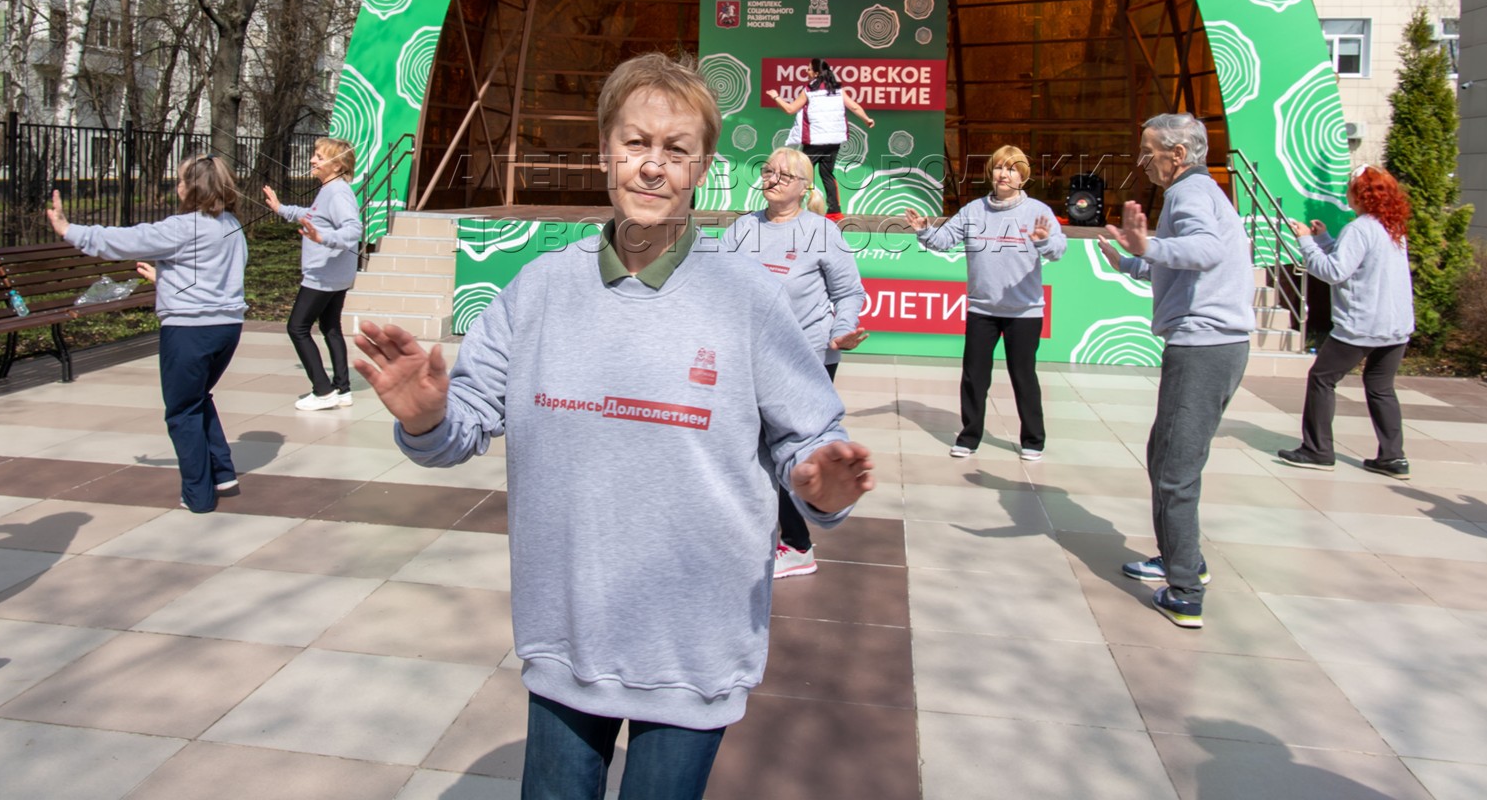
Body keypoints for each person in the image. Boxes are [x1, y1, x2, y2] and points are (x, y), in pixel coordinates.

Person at [352, 52, 875, 800]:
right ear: (605, 151)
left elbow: (811, 445)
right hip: (567, 636)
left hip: (694, 645)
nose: (653, 167)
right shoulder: (539, 289)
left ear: (702, 167)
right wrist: (431, 416)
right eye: (636, 144)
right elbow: (462, 426)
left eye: (676, 150)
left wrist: (821, 483)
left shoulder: (748, 300)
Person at [1099, 114, 1253, 630]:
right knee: (1164, 453)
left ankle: (1185, 589)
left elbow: (1204, 252)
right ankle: (1178, 557)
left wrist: (1149, 247)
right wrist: (1132, 261)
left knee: (1174, 469)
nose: (1145, 161)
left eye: (1149, 151)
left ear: (1178, 154)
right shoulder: (1200, 193)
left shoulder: (1190, 195)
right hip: (1212, 344)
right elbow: (1181, 261)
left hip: (1204, 345)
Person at [49, 155, 248, 512]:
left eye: (181, 180)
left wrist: (68, 229)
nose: (177, 186)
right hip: (227, 328)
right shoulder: (232, 225)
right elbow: (214, 275)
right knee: (198, 397)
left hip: (189, 332)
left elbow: (124, 240)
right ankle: (222, 472)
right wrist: (166, 279)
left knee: (182, 410)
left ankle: (198, 496)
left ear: (194, 188)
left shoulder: (181, 227)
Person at [720, 145, 869, 579]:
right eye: (768, 171)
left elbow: (849, 293)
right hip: (748, 356)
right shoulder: (742, 229)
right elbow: (718, 285)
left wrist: (843, 329)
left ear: (805, 187)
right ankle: (758, 530)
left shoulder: (821, 232)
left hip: (808, 356)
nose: (773, 178)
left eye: (785, 174)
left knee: (789, 447)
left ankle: (798, 544)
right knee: (749, 446)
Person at [904, 145, 1066, 462]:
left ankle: (1033, 440)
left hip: (1024, 311)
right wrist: (924, 230)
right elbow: (944, 240)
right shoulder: (973, 211)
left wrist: (1044, 240)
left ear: (1023, 176)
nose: (1004, 174)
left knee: (1024, 376)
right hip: (982, 309)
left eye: (1012, 169)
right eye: (998, 168)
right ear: (990, 173)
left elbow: (1058, 249)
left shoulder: (1037, 211)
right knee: (974, 376)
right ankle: (969, 436)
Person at [1276, 166, 1415, 480]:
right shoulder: (1391, 227)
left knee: (1322, 379)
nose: (1347, 192)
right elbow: (1353, 262)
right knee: (1381, 388)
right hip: (1395, 327)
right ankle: (1393, 458)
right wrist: (1324, 238)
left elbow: (1334, 272)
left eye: (1351, 188)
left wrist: (1307, 242)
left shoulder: (1360, 228)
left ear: (1361, 195)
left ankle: (1317, 450)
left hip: (1362, 325)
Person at [262, 137, 363, 411]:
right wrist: (282, 209)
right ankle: (342, 390)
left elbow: (353, 229)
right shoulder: (330, 190)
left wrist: (323, 238)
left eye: (319, 156)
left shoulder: (337, 192)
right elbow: (314, 216)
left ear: (337, 164)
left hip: (323, 276)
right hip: (334, 275)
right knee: (330, 328)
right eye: (314, 155)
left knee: (296, 327)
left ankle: (323, 390)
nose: (312, 160)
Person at [766, 57, 874, 216]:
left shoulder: (809, 90)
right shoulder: (837, 89)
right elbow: (854, 106)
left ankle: (794, 207)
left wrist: (775, 96)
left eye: (809, 69)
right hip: (833, 140)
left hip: (815, 140)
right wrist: (867, 119)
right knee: (827, 175)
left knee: (800, 173)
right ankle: (835, 211)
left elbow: (790, 109)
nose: (806, 71)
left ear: (816, 73)